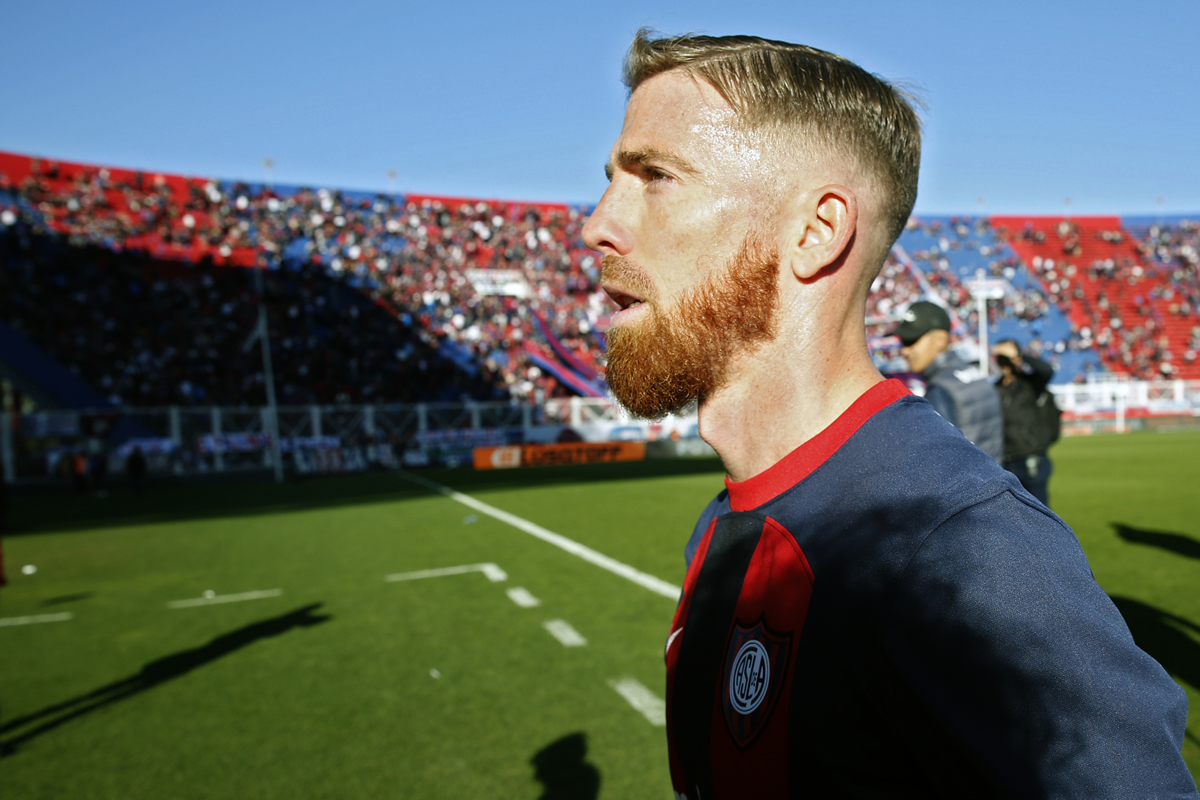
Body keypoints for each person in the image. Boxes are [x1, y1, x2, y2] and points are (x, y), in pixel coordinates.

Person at [582, 31, 1195, 798]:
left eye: (657, 176)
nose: (597, 223)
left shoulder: (960, 545)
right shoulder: (725, 521)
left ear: (816, 230)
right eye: (609, 178)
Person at [892, 300, 1004, 461]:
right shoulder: (974, 373)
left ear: (940, 339)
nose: (904, 351)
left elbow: (937, 460)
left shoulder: (940, 389)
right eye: (903, 342)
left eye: (911, 341)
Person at [992, 339, 1058, 506]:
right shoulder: (995, 389)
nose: (1004, 364)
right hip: (1005, 459)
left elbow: (1046, 370)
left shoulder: (1030, 383)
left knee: (1039, 511)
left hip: (1030, 456)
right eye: (1001, 359)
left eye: (1007, 359)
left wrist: (1020, 356)